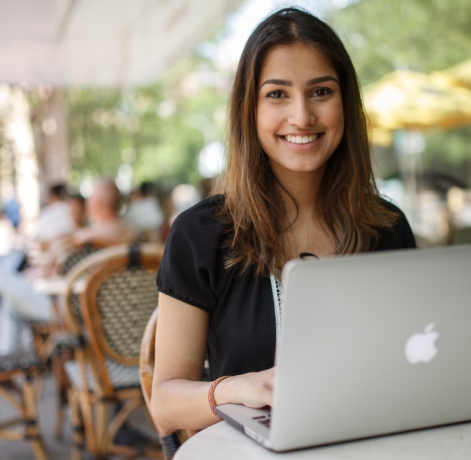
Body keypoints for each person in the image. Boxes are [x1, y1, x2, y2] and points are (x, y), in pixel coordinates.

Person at [150, 8, 416, 433]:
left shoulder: (387, 226)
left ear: (345, 103)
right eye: (277, 94)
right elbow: (164, 405)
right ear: (249, 110)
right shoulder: (200, 234)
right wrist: (238, 388)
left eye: (321, 92)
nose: (302, 116)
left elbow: (415, 359)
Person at [0, 179, 134, 354]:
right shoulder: (131, 232)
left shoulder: (83, 240)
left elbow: (55, 270)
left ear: (99, 203)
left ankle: (9, 365)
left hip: (75, 315)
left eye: (90, 198)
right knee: (10, 305)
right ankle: (8, 362)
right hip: (115, 314)